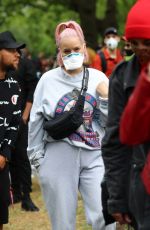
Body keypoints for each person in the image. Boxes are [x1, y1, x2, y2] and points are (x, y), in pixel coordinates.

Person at [27, 20, 116, 230]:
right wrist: (38, 161)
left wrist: (105, 99)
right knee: (63, 222)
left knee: (104, 217)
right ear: (59, 52)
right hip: (59, 154)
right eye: (67, 50)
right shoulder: (47, 81)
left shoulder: (98, 78)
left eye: (77, 49)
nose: (72, 54)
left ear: (84, 48)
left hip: (95, 154)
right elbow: (36, 122)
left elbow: (111, 122)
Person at [102, 0, 150, 229]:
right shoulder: (122, 77)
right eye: (134, 43)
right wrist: (117, 198)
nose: (141, 49)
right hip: (141, 181)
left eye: (147, 42)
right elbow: (115, 141)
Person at [0, 31, 25, 230]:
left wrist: (4, 154)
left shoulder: (14, 87)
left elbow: (15, 124)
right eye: (11, 50)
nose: (17, 54)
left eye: (18, 51)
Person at [9, 49, 39, 211]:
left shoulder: (26, 65)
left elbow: (32, 91)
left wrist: (25, 115)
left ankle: (26, 195)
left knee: (22, 156)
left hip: (21, 117)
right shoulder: (6, 68)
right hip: (6, 118)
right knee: (10, 156)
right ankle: (16, 192)